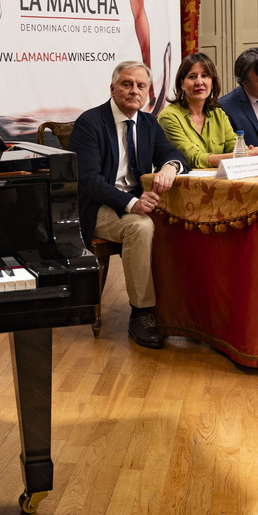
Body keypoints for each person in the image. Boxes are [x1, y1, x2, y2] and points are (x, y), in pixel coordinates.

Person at [73, 60, 187, 349]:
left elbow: (172, 153)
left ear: (148, 93)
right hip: (97, 208)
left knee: (181, 221)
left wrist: (170, 167)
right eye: (126, 84)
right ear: (112, 88)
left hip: (132, 203)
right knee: (140, 227)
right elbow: (89, 181)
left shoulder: (149, 123)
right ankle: (141, 313)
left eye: (141, 86)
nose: (134, 90)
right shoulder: (90, 123)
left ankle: (179, 308)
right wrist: (132, 203)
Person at [157, 53, 258, 168]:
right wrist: (244, 156)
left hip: (215, 183)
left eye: (205, 76)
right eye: (192, 77)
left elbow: (234, 146)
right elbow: (192, 158)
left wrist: (256, 154)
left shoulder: (218, 113)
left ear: (212, 83)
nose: (199, 82)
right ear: (182, 84)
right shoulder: (169, 117)